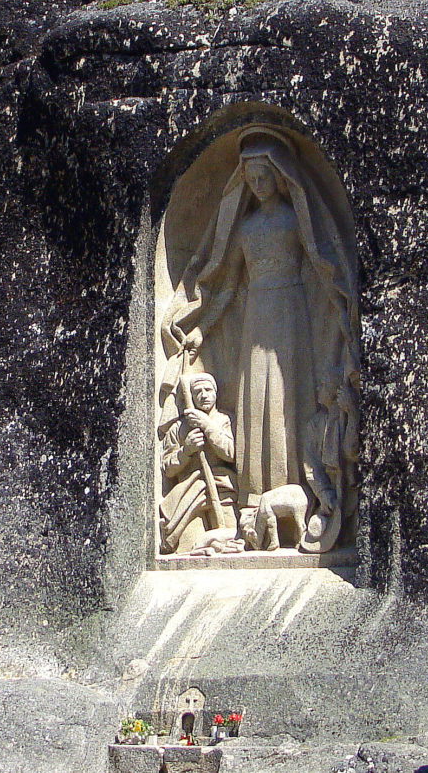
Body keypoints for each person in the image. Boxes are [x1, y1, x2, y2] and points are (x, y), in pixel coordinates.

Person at [158, 124, 359, 553]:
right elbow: (227, 284)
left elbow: (321, 264)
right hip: (255, 318)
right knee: (255, 402)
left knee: (289, 400)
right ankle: (252, 507)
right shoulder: (246, 227)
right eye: (249, 178)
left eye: (263, 175)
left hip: (290, 315)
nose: (257, 183)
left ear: (279, 174)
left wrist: (339, 312)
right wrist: (201, 328)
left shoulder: (293, 218)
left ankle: (296, 495)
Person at [159, 373, 240, 555]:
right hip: (190, 496)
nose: (204, 395)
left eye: (208, 390)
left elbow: (231, 453)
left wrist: (207, 425)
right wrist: (186, 451)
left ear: (216, 393)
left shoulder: (227, 421)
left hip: (223, 493)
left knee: (232, 542)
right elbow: (168, 469)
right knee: (187, 547)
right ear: (192, 397)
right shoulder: (179, 429)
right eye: (198, 392)